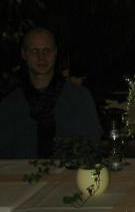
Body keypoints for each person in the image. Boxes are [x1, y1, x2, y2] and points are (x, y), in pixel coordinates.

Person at [0, 27, 101, 158]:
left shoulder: (79, 98)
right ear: (24, 54)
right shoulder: (10, 104)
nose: (41, 57)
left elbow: (91, 147)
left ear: (55, 53)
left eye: (46, 50)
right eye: (34, 51)